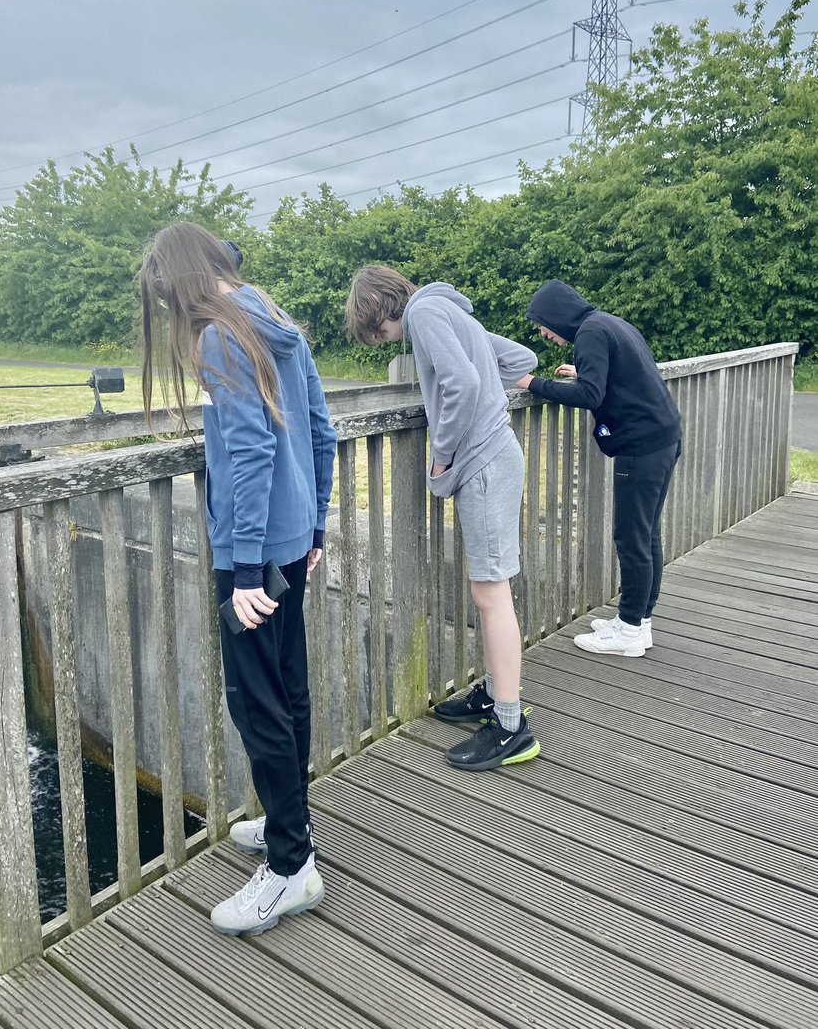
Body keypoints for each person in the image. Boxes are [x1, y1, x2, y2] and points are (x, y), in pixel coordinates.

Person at [140, 221, 337, 935]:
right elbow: (321, 431)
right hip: (289, 545)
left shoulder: (221, 334)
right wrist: (312, 527)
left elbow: (252, 451)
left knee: (256, 702)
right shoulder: (272, 317)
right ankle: (294, 825)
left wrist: (246, 567)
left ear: (176, 281)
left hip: (251, 558)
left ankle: (290, 867)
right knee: (287, 690)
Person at [345, 265, 540, 770]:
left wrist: (443, 454)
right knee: (489, 588)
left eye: (377, 331)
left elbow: (462, 382)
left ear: (380, 308)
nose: (384, 339)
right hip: (495, 457)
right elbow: (521, 358)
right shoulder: (448, 309)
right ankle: (496, 695)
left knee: (491, 592)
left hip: (480, 464)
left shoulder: (425, 312)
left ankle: (511, 727)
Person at [515, 280, 682, 657]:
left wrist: (533, 383)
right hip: (665, 436)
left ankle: (628, 631)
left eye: (542, 323)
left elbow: (590, 395)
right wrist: (585, 370)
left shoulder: (590, 333)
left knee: (631, 537)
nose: (543, 332)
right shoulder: (607, 323)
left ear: (558, 315)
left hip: (641, 446)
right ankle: (639, 621)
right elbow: (620, 375)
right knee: (647, 534)